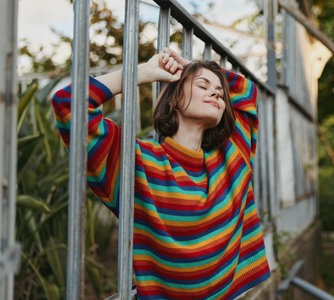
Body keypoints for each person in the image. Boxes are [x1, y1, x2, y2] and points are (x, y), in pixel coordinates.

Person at [52, 48, 270, 299]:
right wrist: (142, 72)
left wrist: (193, 67)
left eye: (220, 93)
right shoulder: (138, 162)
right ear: (175, 99)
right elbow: (68, 104)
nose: (216, 93)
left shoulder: (232, 157)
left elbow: (248, 95)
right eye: (203, 86)